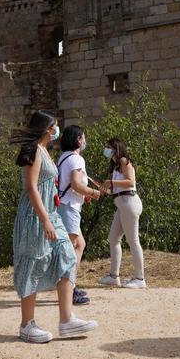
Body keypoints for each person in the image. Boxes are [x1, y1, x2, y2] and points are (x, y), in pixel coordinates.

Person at [12, 110, 97, 343]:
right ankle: (27, 325)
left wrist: (52, 215)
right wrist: (45, 219)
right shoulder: (34, 150)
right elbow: (31, 187)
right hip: (35, 216)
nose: (57, 130)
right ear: (47, 129)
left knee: (68, 256)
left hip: (51, 213)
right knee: (33, 263)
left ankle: (67, 319)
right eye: (55, 126)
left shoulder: (45, 151)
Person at [55, 125, 102, 304]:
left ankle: (71, 286)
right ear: (78, 139)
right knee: (70, 250)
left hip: (65, 206)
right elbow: (76, 184)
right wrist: (93, 192)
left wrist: (84, 193)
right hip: (70, 207)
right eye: (83, 137)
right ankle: (68, 291)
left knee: (79, 244)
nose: (84, 141)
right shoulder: (76, 159)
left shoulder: (64, 157)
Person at [97, 137, 146, 289]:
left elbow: (131, 182)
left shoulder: (124, 161)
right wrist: (103, 188)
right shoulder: (116, 166)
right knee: (113, 238)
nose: (106, 149)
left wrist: (111, 183)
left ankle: (140, 278)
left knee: (133, 240)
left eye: (108, 147)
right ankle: (114, 276)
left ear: (115, 148)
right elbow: (116, 189)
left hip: (129, 202)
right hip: (122, 204)